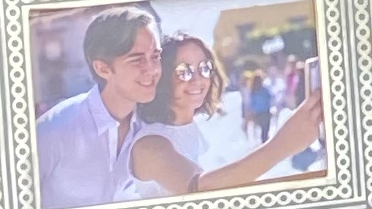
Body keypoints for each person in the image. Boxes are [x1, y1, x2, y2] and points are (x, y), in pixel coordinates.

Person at [130, 30, 327, 195]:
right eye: (184, 71)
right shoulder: (149, 145)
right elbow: (197, 191)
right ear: (161, 78)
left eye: (204, 68)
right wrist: (284, 144)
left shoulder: (194, 128)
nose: (198, 79)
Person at [35, 5, 164, 205]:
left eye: (155, 56)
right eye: (137, 60)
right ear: (103, 69)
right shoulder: (53, 130)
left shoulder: (153, 128)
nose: (152, 69)